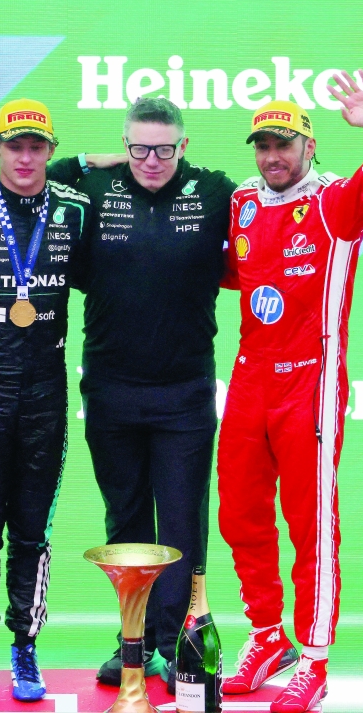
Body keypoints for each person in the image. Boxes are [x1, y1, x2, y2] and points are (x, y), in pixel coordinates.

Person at [216, 73, 363, 712]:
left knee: (311, 524)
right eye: (264, 145)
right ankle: (267, 635)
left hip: (310, 382)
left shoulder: (333, 203)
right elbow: (212, 267)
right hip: (249, 376)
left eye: (285, 145)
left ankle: (314, 660)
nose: (274, 156)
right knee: (238, 512)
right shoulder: (241, 202)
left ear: (309, 146)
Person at [47, 97, 236, 691]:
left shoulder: (214, 192)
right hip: (111, 391)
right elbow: (31, 178)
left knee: (181, 525)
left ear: (184, 146)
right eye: (137, 147)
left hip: (183, 393)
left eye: (163, 148)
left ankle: (179, 642)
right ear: (122, 144)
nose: (149, 160)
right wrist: (94, 159)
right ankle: (133, 645)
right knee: (126, 522)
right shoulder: (95, 189)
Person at [0, 99, 92, 703]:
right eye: (15, 146)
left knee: (32, 529)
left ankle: (25, 647)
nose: (26, 157)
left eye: (37, 147)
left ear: (51, 152)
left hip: (44, 389)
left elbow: (123, 273)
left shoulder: (76, 211)